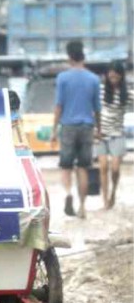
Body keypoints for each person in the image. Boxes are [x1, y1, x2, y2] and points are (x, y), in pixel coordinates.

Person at [50, 40, 101, 218]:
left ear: (69, 56)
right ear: (83, 55)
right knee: (83, 167)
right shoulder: (94, 79)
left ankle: (68, 194)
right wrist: (99, 129)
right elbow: (97, 109)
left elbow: (58, 106)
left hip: (68, 127)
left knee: (66, 166)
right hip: (87, 126)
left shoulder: (63, 78)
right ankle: (82, 208)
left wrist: (53, 130)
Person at [96, 62, 133, 209]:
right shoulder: (100, 91)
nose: (113, 75)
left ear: (121, 75)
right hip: (100, 134)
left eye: (116, 73)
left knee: (116, 169)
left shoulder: (127, 94)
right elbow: (93, 109)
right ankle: (105, 199)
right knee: (103, 167)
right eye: (110, 73)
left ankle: (113, 193)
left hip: (117, 134)